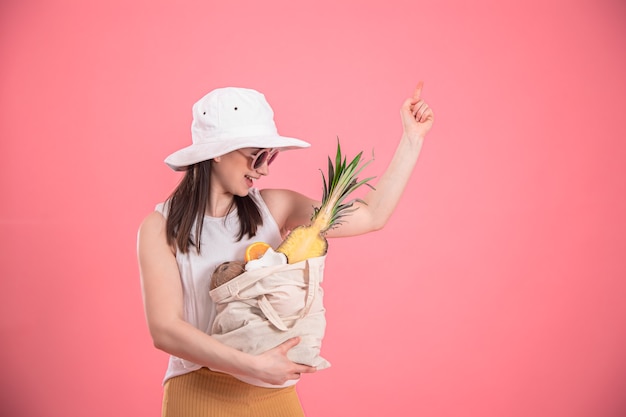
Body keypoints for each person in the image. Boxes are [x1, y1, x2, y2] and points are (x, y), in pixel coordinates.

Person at [137, 84, 434, 417]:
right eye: (258, 155)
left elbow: (371, 216)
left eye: (271, 157)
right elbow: (165, 330)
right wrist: (254, 365)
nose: (264, 169)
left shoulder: (275, 206)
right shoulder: (160, 228)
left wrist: (413, 139)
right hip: (198, 393)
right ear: (218, 151)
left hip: (273, 396)